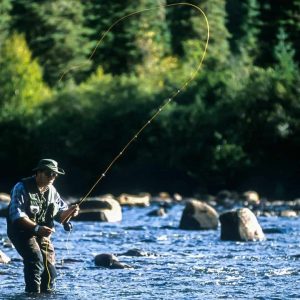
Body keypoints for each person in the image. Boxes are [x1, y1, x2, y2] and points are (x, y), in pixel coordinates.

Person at [6, 158, 79, 293]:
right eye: (49, 173)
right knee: (35, 261)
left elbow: (61, 216)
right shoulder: (21, 187)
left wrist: (71, 212)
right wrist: (37, 228)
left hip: (42, 233)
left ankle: (46, 295)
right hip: (21, 231)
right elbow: (16, 215)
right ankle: (32, 295)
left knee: (50, 271)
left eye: (55, 174)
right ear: (38, 172)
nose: (52, 176)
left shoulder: (52, 191)